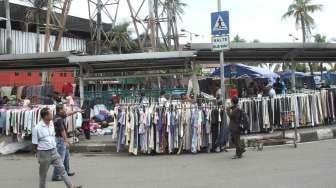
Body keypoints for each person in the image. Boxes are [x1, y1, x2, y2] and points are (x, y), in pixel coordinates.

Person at [32, 108, 82, 188]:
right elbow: (34, 143)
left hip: (54, 151)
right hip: (44, 153)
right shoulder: (37, 128)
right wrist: (36, 153)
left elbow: (66, 115)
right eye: (50, 114)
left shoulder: (52, 123)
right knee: (43, 175)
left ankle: (71, 186)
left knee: (62, 170)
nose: (52, 115)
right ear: (45, 116)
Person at [52, 105, 82, 181]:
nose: (65, 110)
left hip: (61, 139)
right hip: (60, 140)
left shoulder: (58, 116)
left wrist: (76, 111)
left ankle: (66, 171)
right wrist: (66, 141)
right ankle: (56, 176)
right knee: (60, 159)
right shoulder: (58, 119)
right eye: (64, 109)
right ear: (60, 110)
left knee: (66, 157)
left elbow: (68, 114)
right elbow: (62, 131)